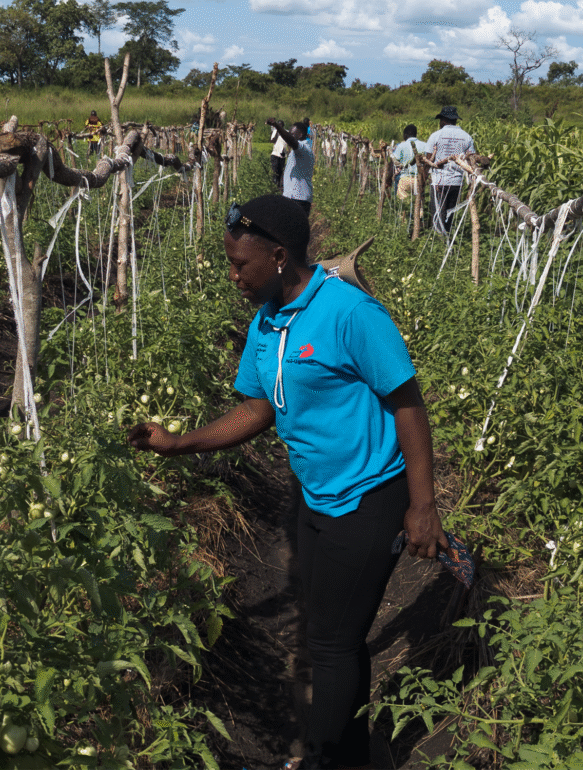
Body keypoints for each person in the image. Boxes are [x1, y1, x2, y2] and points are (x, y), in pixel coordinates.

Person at [128, 195, 448, 770]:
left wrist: (423, 505)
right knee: (336, 636)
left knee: (328, 643)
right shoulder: (268, 319)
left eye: (238, 264)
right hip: (315, 495)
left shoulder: (350, 314)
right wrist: (180, 443)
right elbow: (257, 408)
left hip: (369, 498)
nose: (232, 277)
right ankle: (353, 753)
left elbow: (407, 405)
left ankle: (324, 758)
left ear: (278, 256)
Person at [425, 106, 475, 234]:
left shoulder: (435, 136)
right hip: (456, 182)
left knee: (438, 213)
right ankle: (447, 237)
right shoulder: (466, 137)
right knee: (449, 213)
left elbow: (428, 159)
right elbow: (471, 159)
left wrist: (424, 177)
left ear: (443, 120)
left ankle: (439, 242)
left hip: (438, 181)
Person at [267, 118, 314, 215]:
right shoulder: (300, 150)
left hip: (297, 199)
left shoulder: (304, 148)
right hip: (295, 198)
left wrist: (276, 126)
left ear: (300, 135)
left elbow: (292, 141)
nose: (290, 136)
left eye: (292, 134)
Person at [391, 124, 430, 217]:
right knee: (419, 205)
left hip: (405, 178)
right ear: (416, 134)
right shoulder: (425, 146)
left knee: (403, 205)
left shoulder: (401, 146)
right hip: (419, 179)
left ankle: (403, 225)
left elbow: (395, 161)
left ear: (405, 135)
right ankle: (418, 224)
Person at [270, 122, 289, 190]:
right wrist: (277, 133)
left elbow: (288, 142)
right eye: (278, 125)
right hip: (275, 153)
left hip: (283, 154)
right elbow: (272, 140)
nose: (279, 126)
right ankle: (274, 185)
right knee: (275, 170)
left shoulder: (286, 132)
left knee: (281, 170)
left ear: (283, 126)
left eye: (280, 125)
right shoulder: (275, 131)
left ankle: (279, 185)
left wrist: (286, 152)